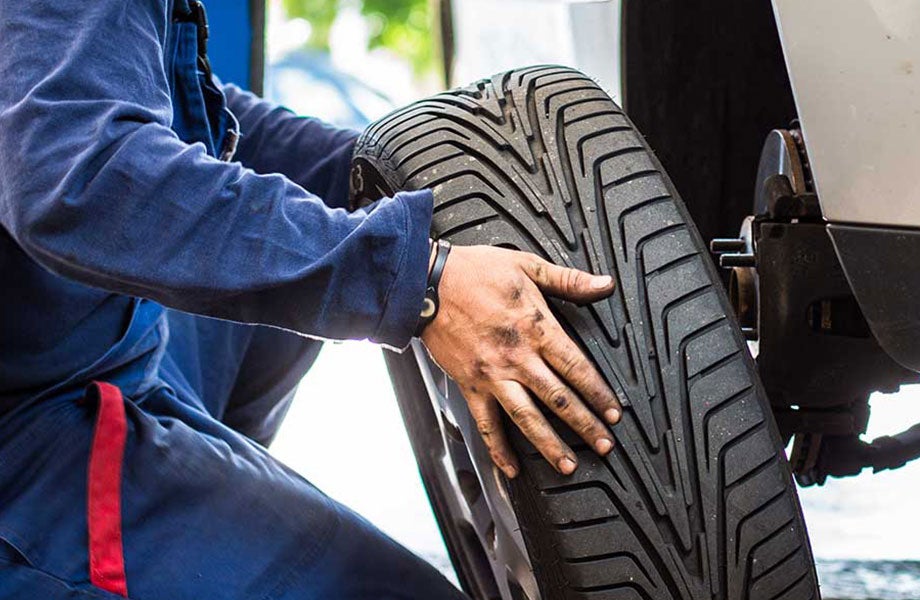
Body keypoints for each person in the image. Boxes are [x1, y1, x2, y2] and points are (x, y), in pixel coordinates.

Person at [0, 1, 621, 597]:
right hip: (28, 446)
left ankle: (210, 503)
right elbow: (82, 177)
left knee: (281, 270)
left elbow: (160, 102)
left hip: (81, 351)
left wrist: (393, 177)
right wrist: (417, 278)